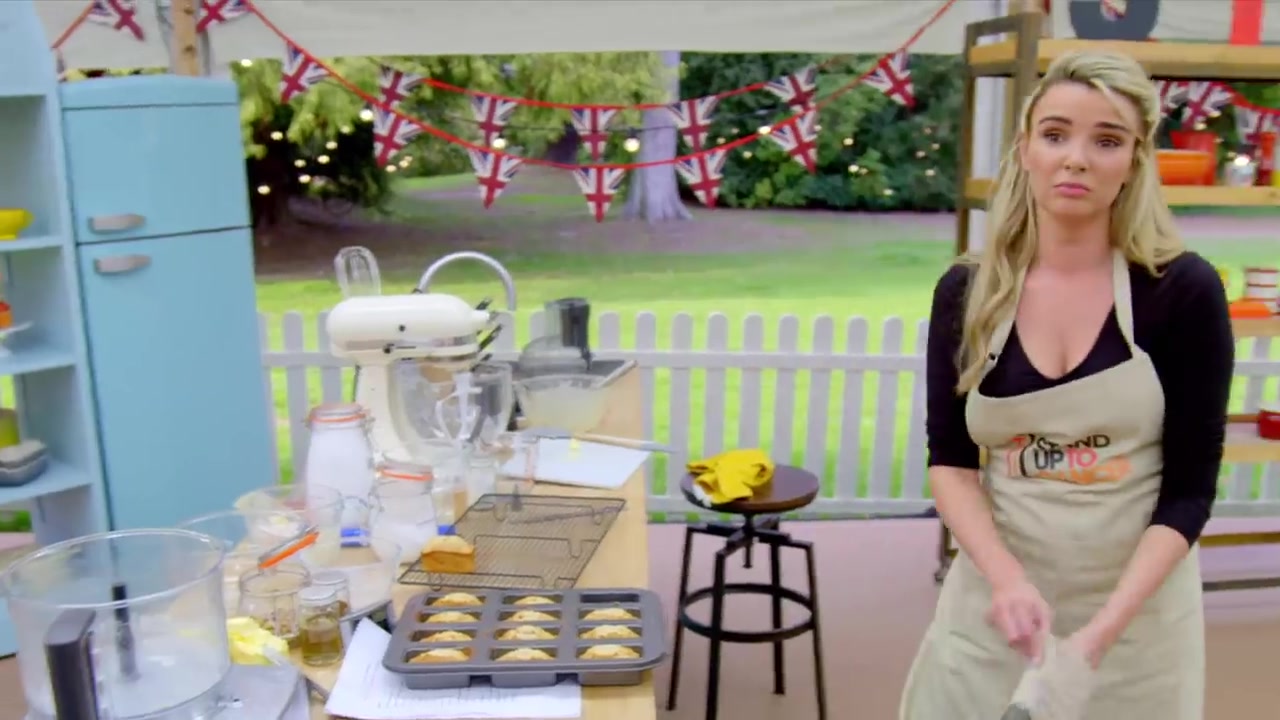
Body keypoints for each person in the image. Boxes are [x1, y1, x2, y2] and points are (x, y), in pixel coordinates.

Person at [899, 50, 1233, 719]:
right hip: (999, 610)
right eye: (1056, 135)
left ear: (1134, 161)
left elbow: (1190, 493)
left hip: (1134, 625)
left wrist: (1097, 639)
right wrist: (1007, 581)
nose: (1076, 159)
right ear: (1026, 150)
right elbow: (952, 464)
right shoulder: (966, 293)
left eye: (1106, 141)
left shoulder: (1183, 292)